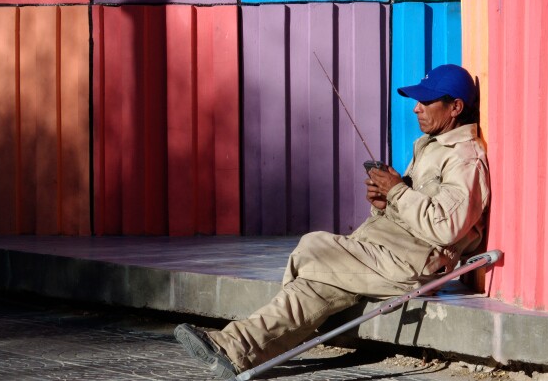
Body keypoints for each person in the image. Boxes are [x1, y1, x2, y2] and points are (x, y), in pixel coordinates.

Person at [174, 64, 490, 379]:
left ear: (455, 108)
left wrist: (395, 190)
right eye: (417, 101)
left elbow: (446, 227)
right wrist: (384, 203)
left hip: (409, 265)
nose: (416, 108)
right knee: (311, 288)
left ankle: (241, 343)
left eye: (426, 102)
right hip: (383, 253)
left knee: (314, 246)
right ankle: (233, 349)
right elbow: (413, 211)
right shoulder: (431, 146)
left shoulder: (464, 159)